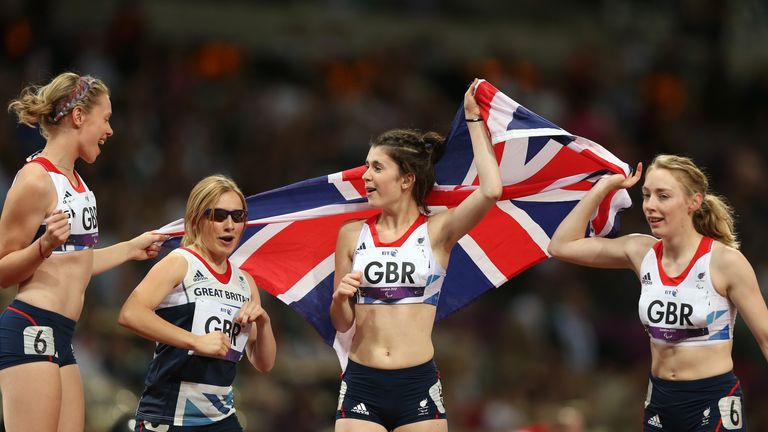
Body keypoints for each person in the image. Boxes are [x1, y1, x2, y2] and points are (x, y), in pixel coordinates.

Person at [330, 79, 502, 432]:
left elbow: (491, 190)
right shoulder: (351, 234)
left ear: (406, 180)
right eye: (366, 167)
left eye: (377, 168)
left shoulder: (438, 231)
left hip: (417, 384)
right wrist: (340, 298)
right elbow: (342, 322)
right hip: (362, 380)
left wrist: (473, 121)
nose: (365, 176)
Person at [548, 155, 768, 431]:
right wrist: (603, 188)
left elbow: (766, 338)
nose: (650, 206)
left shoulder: (725, 262)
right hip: (661, 401)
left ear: (694, 202)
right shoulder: (641, 251)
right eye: (646, 195)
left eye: (663, 196)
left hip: (713, 400)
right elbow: (561, 246)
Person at [0, 72, 166, 432]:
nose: (110, 130)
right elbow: (2, 270)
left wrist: (128, 249)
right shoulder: (35, 180)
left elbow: (75, 263)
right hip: (31, 325)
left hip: (62, 334)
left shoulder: (81, 186)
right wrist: (42, 247)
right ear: (78, 117)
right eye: (105, 118)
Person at [118, 174, 276, 431]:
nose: (230, 225)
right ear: (195, 219)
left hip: (221, 418)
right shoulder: (180, 263)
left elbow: (264, 363)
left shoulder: (245, 281)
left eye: (238, 217)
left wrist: (265, 322)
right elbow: (130, 313)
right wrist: (195, 341)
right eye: (218, 215)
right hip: (168, 415)